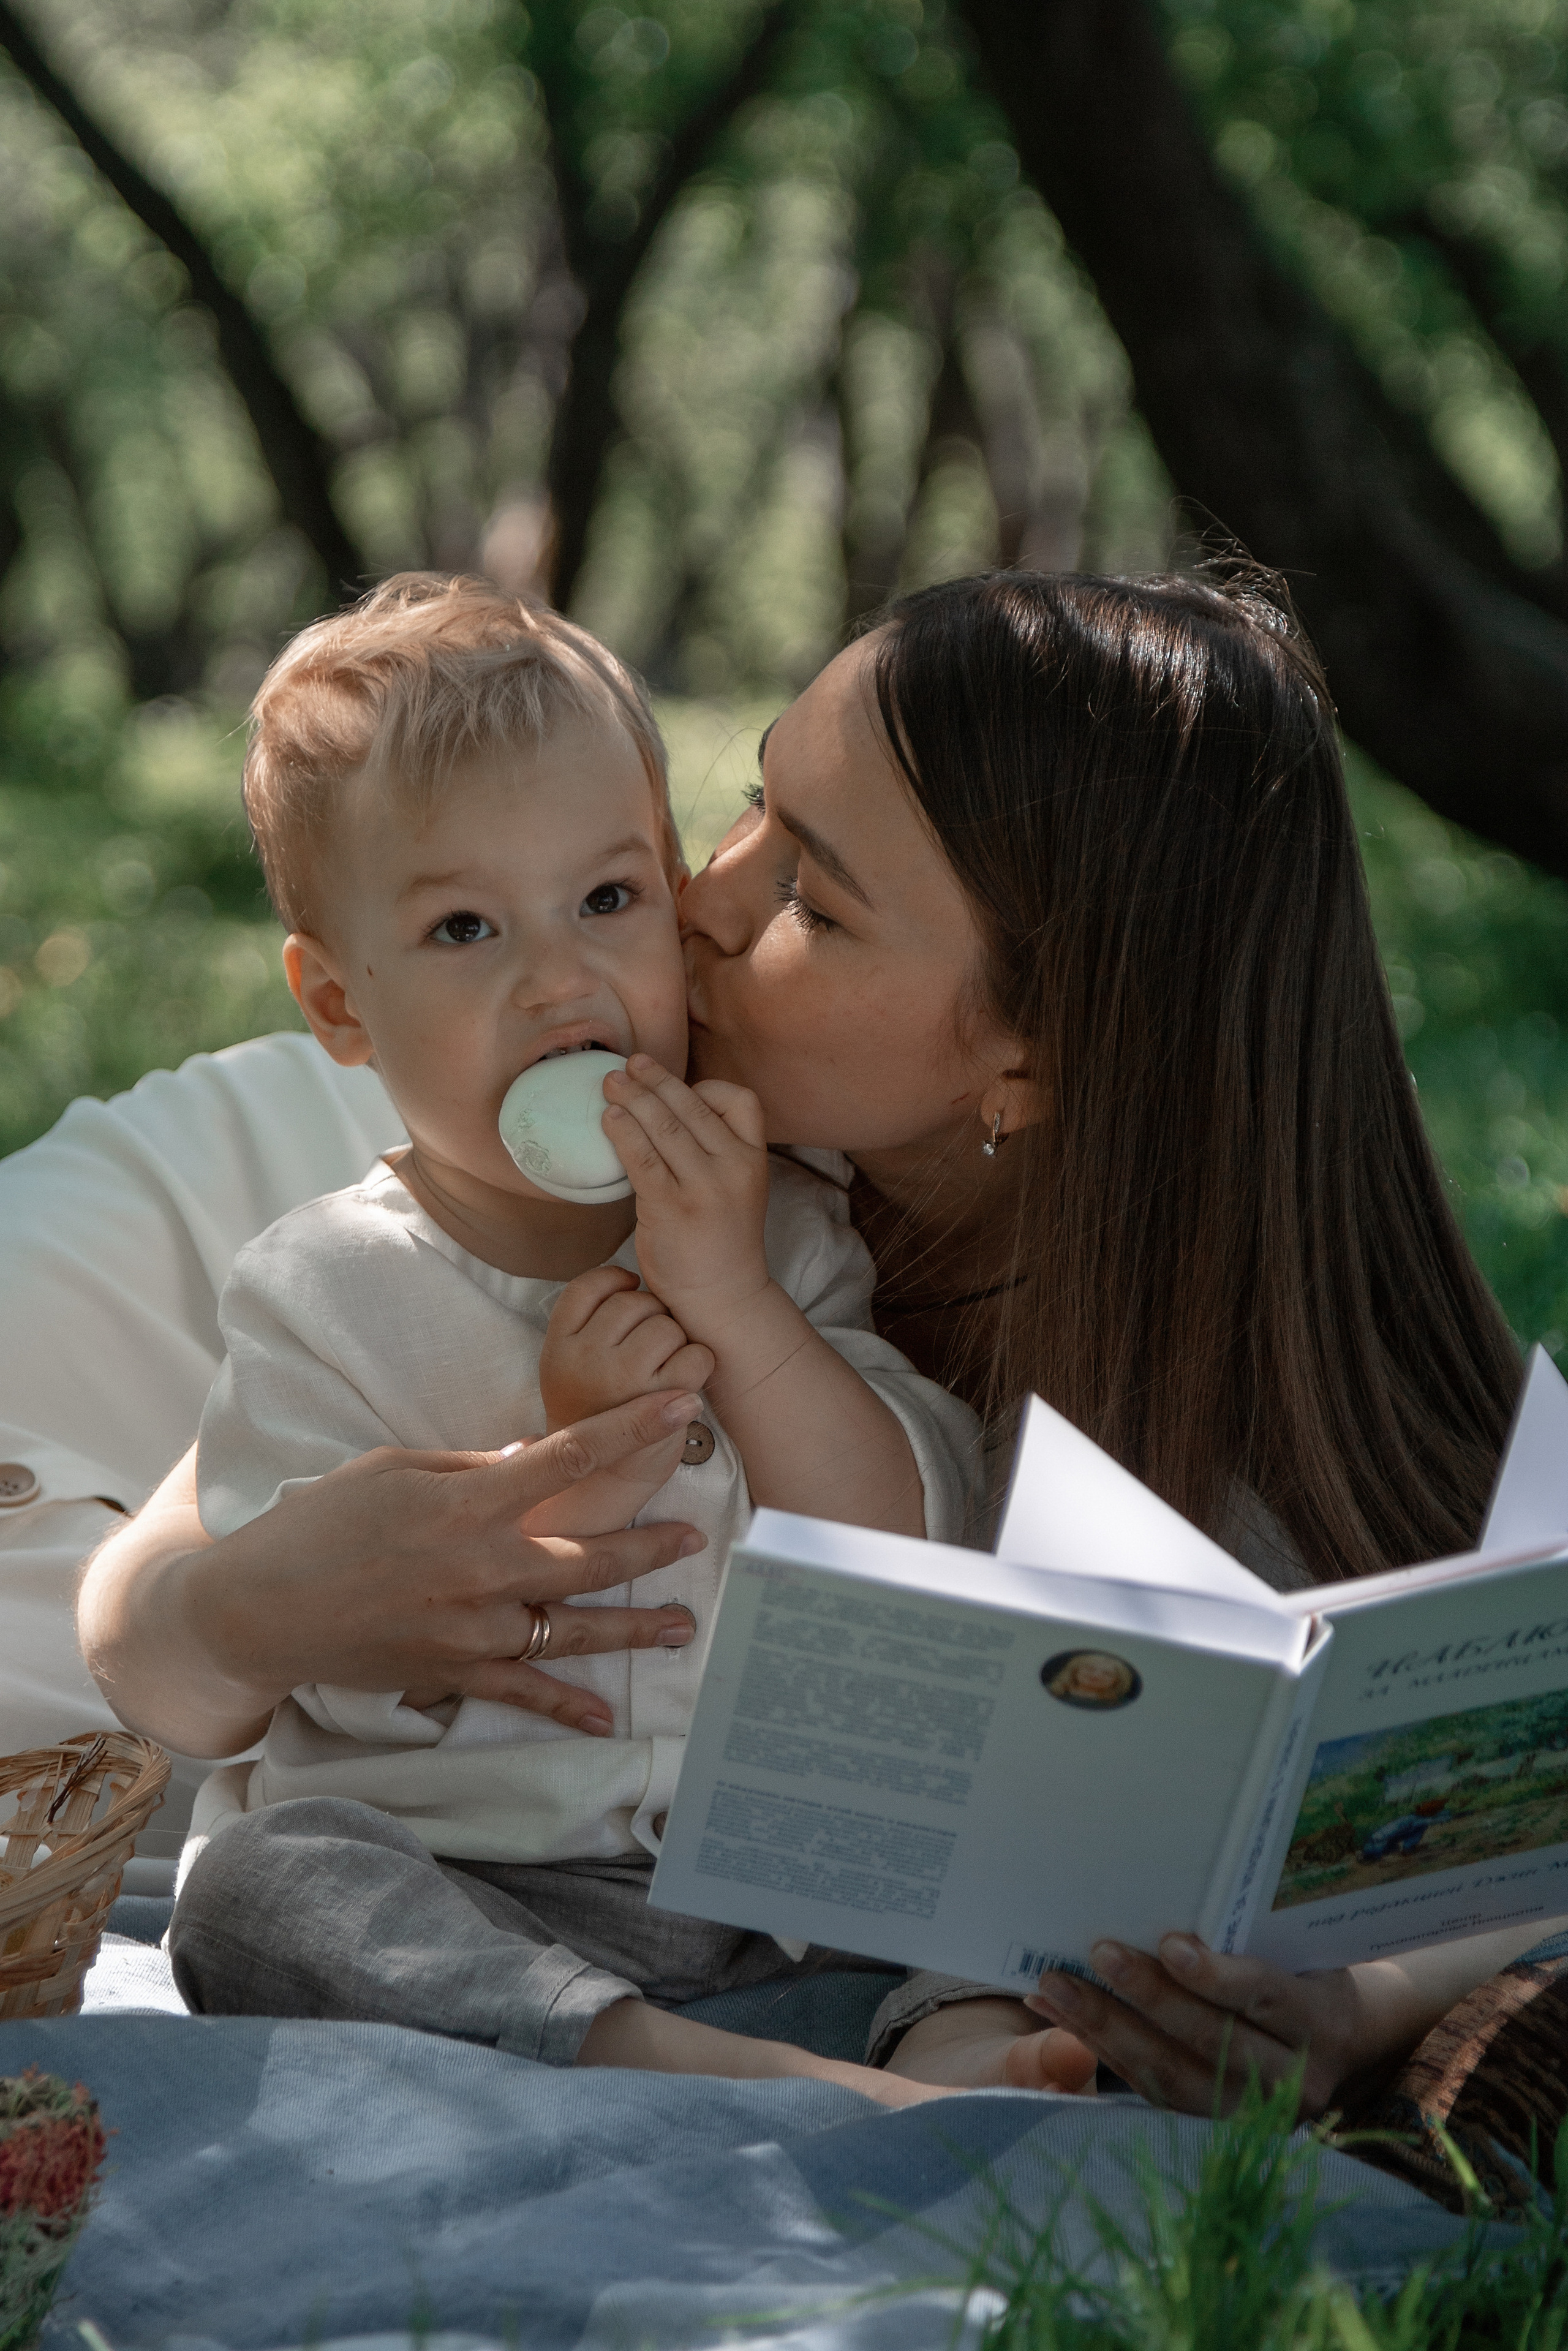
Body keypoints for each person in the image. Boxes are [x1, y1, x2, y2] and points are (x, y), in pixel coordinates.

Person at [73, 564, 1555, 2118]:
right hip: (506, 1881)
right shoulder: (563, 1165)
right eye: (747, 805)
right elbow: (152, 1589)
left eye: (810, 900)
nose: (698, 898)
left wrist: (1360, 2003)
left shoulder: (1160, 1380)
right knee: (262, 1885)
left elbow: (1496, 1791)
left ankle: (935, 2081)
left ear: (1024, 1058)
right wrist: (245, 1609)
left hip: (815, 1931)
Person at [170, 573, 976, 2074]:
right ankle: (677, 2063)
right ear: (339, 1005)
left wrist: (734, 1303)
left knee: (1006, 1817)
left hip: (787, 1884)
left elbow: (900, 1548)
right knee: (255, 1889)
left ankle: (954, 2039)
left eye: (607, 901)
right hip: (494, 1882)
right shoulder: (322, 1293)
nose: (558, 979)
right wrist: (570, 1465)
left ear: (670, 900)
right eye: (464, 926)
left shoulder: (778, 1222)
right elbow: (346, 1659)